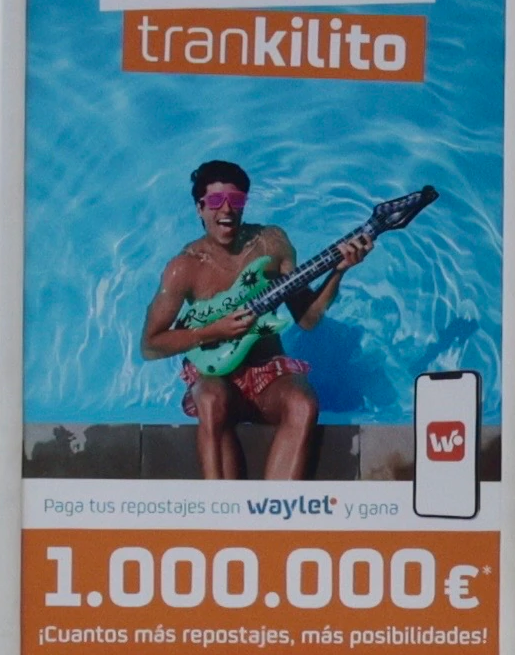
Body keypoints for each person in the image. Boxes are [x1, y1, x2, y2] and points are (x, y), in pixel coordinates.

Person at [138, 159, 356, 482]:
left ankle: (275, 519)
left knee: (303, 402)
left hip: (268, 373)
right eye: (215, 201)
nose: (226, 210)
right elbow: (150, 345)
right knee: (211, 400)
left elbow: (307, 318)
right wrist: (213, 331)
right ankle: (220, 513)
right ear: (199, 208)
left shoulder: (271, 244)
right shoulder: (184, 267)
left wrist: (339, 271)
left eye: (235, 201)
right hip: (216, 374)